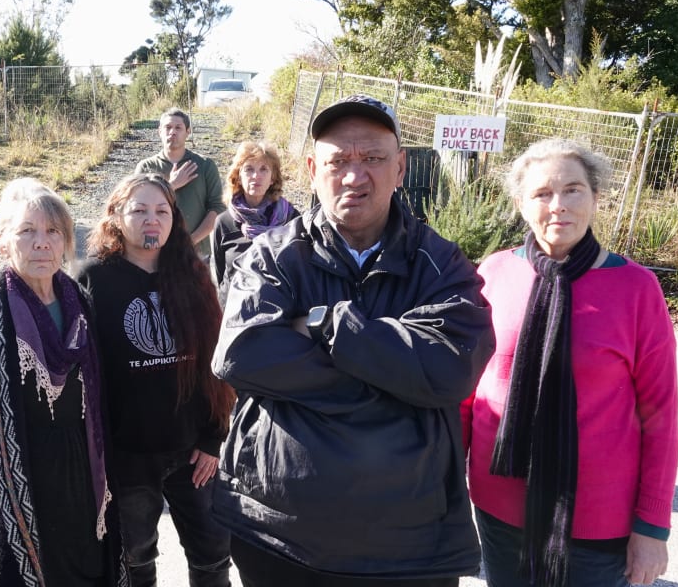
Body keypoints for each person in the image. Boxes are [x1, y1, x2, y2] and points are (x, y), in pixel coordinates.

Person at [211, 94, 496, 586]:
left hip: (407, 549)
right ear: (311, 168)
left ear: (401, 166)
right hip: (278, 536)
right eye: (338, 160)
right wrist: (395, 380)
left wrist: (328, 326)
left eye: (373, 159)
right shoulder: (272, 257)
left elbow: (451, 368)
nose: (353, 175)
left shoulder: (442, 264)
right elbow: (241, 353)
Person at [462, 138, 678, 587]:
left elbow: (661, 417)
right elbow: (468, 391)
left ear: (595, 198)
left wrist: (652, 528)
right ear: (522, 204)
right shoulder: (494, 273)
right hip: (500, 507)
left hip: (599, 518)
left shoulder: (636, 288)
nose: (558, 205)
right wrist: (445, 489)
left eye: (573, 190)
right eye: (542, 194)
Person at [0, 178, 127, 587]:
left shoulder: (80, 303)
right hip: (10, 485)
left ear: (66, 242)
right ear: (4, 242)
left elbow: (100, 395)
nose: (42, 243)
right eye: (27, 231)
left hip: (78, 477)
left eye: (53, 231)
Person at [77, 173, 236, 587]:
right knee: (135, 558)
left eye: (162, 211)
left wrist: (214, 439)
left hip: (193, 454)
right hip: (128, 457)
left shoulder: (193, 275)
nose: (152, 220)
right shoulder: (93, 279)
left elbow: (218, 364)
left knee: (213, 555)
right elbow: (80, 373)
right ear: (116, 215)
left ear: (174, 219)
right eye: (140, 210)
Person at [210, 140, 299, 302]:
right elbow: (221, 273)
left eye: (264, 169)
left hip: (278, 312)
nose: (256, 176)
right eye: (249, 169)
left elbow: (299, 271)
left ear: (273, 178)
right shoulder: (224, 222)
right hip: (234, 313)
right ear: (238, 177)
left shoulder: (291, 219)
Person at [135, 108, 225, 256]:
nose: (172, 132)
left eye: (178, 128)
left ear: (188, 132)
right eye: (168, 127)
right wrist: (171, 185)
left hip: (196, 253)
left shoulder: (204, 165)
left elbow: (217, 207)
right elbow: (138, 207)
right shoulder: (146, 167)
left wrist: (191, 241)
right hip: (155, 252)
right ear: (159, 131)